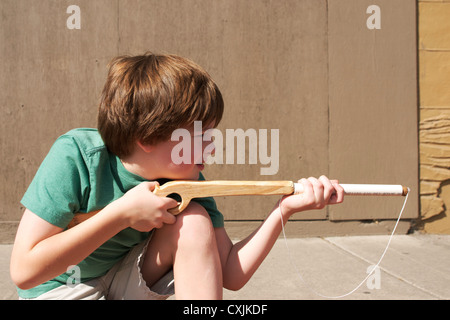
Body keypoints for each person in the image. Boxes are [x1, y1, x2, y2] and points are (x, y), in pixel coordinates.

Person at [10, 52, 344, 300]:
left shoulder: (187, 180)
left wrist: (283, 211)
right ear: (148, 137)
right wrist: (121, 215)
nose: (211, 147)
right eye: (199, 135)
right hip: (61, 289)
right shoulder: (77, 156)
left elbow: (230, 273)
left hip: (124, 282)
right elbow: (24, 272)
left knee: (195, 220)